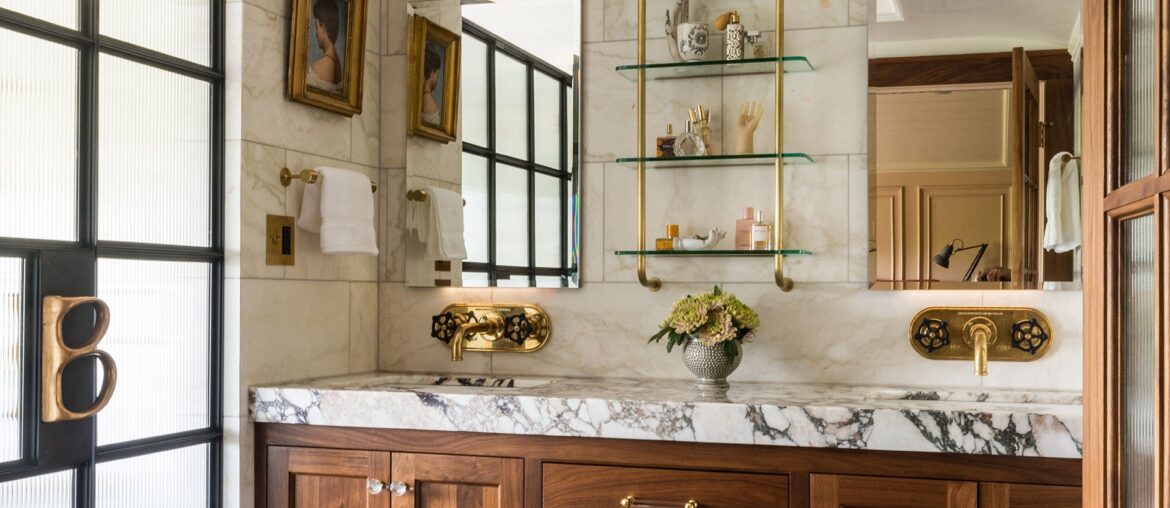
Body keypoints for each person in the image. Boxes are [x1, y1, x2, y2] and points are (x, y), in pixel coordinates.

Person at [307, 0, 343, 92]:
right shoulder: (338, 66)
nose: (316, 33)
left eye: (317, 27)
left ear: (323, 27)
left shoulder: (316, 69)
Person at [421, 46, 442, 126]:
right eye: (437, 74)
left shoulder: (420, 98)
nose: (437, 78)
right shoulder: (429, 104)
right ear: (433, 72)